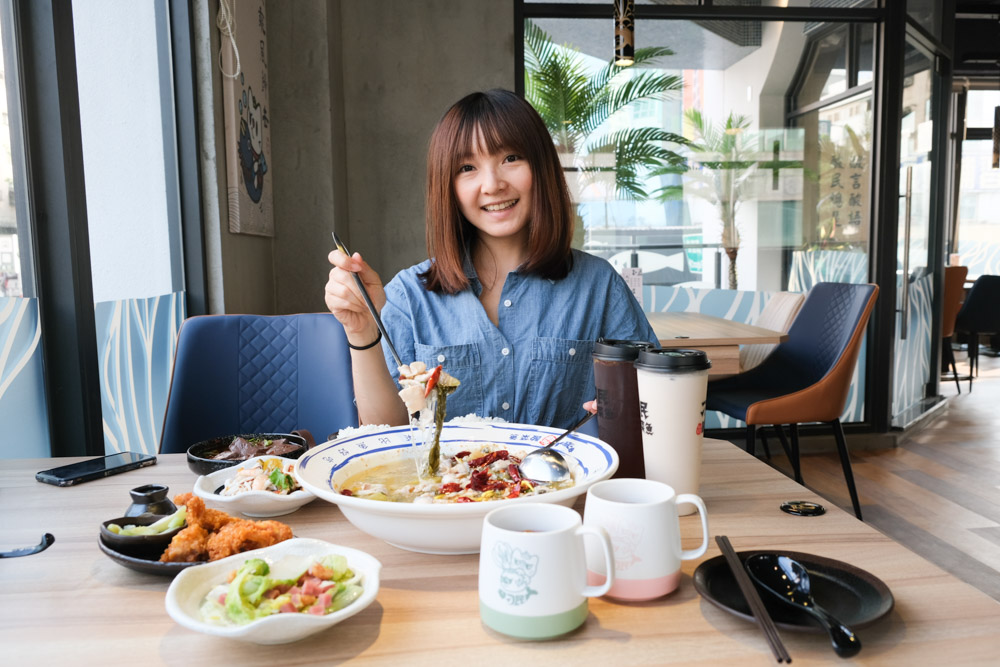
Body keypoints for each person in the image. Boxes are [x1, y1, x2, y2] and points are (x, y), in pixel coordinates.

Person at [325, 89, 656, 429]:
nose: (492, 185)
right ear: (448, 187)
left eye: (510, 158)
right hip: (448, 483)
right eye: (467, 167)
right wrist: (362, 331)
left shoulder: (598, 285)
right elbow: (383, 433)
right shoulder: (409, 295)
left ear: (541, 167)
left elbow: (652, 400)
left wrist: (624, 413)